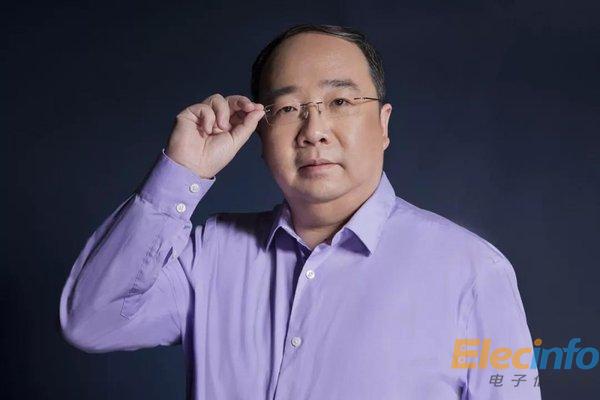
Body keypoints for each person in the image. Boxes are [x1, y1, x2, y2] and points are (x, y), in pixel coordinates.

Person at [59, 24, 542, 399]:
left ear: (383, 124)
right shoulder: (211, 254)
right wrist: (181, 171)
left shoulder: (470, 272)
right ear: (260, 133)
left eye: (340, 101)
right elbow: (92, 321)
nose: (314, 130)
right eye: (288, 109)